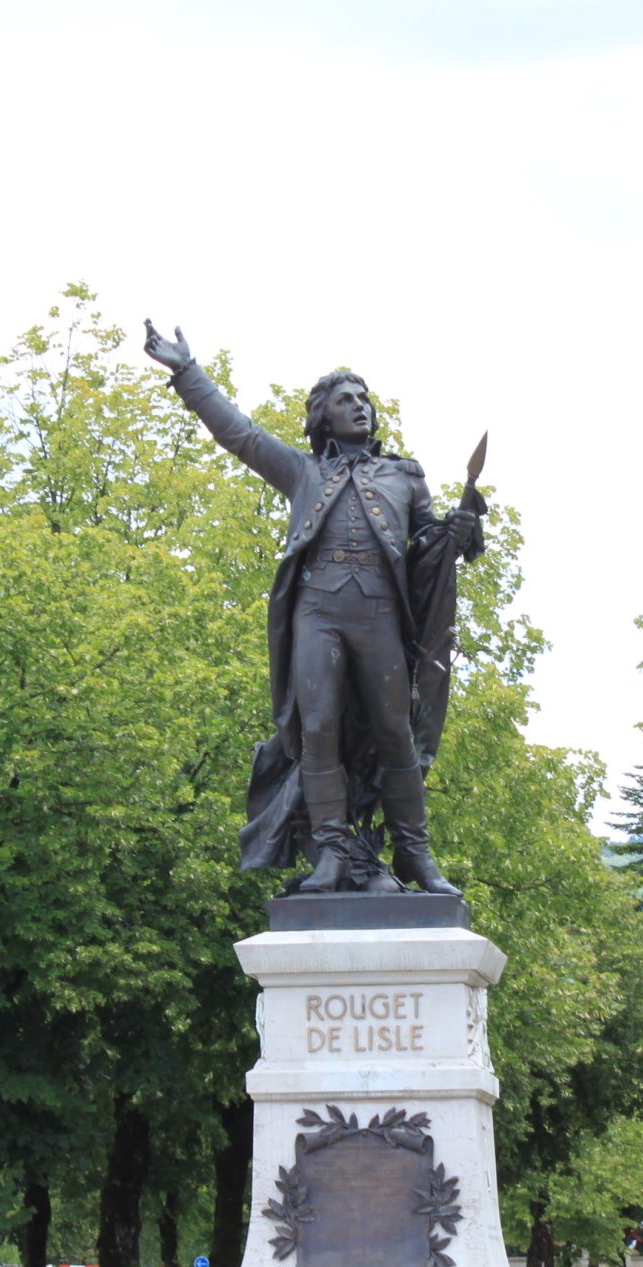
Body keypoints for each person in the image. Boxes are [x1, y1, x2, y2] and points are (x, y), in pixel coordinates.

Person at [143, 320, 481, 895]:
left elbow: (430, 549)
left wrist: (461, 531)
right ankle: (330, 853)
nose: (359, 408)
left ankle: (415, 856)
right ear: (324, 414)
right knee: (318, 729)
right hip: (317, 611)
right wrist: (186, 370)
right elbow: (240, 433)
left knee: (395, 732)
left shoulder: (404, 476)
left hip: (378, 610)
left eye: (364, 400)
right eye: (346, 400)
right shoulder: (303, 470)